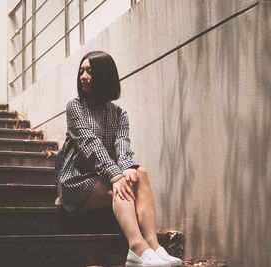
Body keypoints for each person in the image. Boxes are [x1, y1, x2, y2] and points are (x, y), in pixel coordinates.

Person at [54, 51, 182, 267]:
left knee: (141, 173)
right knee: (119, 186)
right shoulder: (75, 107)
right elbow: (90, 143)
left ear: (105, 76)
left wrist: (128, 168)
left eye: (90, 71)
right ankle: (137, 248)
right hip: (75, 180)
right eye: (82, 71)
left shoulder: (119, 114)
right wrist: (116, 174)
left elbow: (122, 146)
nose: (83, 76)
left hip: (103, 175)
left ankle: (153, 245)